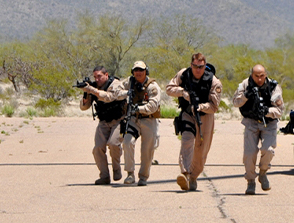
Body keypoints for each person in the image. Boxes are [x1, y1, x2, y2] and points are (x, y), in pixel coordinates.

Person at [165, 53, 222, 191]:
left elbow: (214, 106)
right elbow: (169, 89)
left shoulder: (214, 82)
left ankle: (194, 176)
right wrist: (182, 92)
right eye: (195, 66)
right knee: (187, 140)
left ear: (205, 66)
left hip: (205, 115)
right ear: (191, 65)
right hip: (188, 113)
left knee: (201, 149)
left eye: (201, 67)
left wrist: (201, 107)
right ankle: (185, 173)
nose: (198, 70)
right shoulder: (183, 74)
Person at [232, 64, 284, 195]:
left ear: (265, 75)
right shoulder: (245, 85)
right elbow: (235, 103)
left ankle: (263, 172)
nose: (259, 79)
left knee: (268, 150)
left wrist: (267, 111)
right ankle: (251, 181)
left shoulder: (274, 87)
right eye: (256, 76)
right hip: (251, 122)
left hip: (269, 123)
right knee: (249, 154)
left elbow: (280, 111)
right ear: (252, 75)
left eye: (262, 76)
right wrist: (245, 96)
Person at [116, 61, 161, 186]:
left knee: (147, 150)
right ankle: (130, 173)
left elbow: (152, 106)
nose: (138, 73)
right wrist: (126, 93)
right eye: (136, 70)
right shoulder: (129, 83)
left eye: (141, 70)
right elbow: (116, 91)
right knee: (127, 142)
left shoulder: (153, 86)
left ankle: (143, 177)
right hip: (133, 119)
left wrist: (138, 108)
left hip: (149, 119)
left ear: (146, 71)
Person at [79, 66, 125, 185]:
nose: (97, 79)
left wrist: (92, 90)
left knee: (114, 144)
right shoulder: (93, 87)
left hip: (118, 120)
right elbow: (84, 107)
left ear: (106, 75)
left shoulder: (115, 84)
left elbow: (109, 97)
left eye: (99, 76)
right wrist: (86, 93)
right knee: (98, 148)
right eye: (95, 77)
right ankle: (104, 176)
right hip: (103, 121)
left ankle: (116, 169)